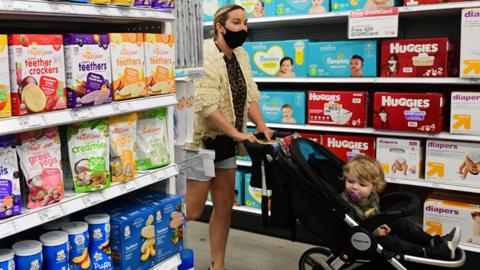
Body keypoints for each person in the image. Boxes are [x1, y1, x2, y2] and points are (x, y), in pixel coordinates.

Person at [185, 5, 274, 270]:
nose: (243, 29)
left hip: (226, 144)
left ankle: (218, 265)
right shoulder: (203, 54)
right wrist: (238, 133)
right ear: (220, 27)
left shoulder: (241, 55)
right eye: (236, 23)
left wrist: (261, 125)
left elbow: (251, 95)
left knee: (224, 207)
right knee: (193, 210)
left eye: (245, 23)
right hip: (200, 144)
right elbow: (206, 106)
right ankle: (161, 254)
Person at [341, 155, 461, 260]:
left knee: (401, 222)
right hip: (362, 236)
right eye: (350, 181)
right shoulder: (346, 202)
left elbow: (374, 213)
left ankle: (434, 241)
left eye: (362, 184)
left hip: (374, 225)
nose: (355, 187)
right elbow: (356, 224)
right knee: (391, 242)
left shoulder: (372, 196)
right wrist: (377, 231)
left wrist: (380, 223)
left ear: (374, 187)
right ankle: (428, 252)